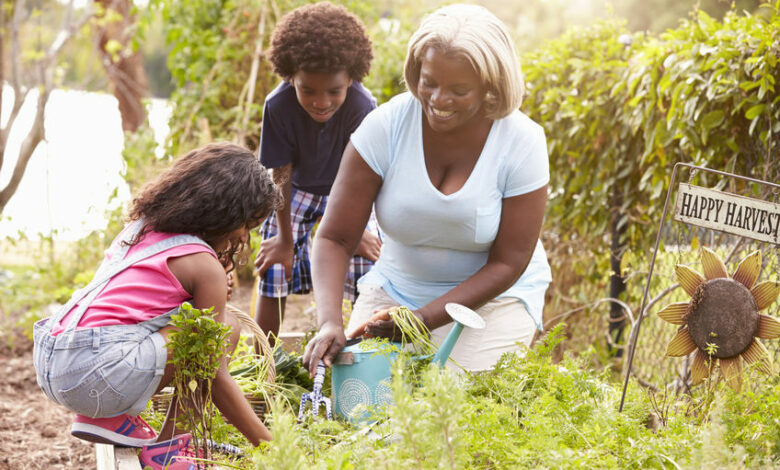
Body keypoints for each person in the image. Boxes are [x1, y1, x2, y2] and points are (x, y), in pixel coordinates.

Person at [303, 4, 552, 374]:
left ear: (490, 86)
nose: (438, 100)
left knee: (453, 397)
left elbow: (508, 262)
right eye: (430, 82)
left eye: (459, 90)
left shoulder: (521, 142)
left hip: (492, 301)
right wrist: (329, 322)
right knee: (360, 394)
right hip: (396, 291)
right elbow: (335, 238)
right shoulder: (385, 128)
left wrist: (421, 320)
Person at [33, 143, 276, 470]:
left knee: (205, 329)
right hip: (96, 373)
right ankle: (170, 449)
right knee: (226, 330)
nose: (243, 236)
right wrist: (272, 448)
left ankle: (108, 418)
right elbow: (213, 375)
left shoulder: (141, 228)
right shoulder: (204, 267)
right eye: (246, 224)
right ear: (227, 211)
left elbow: (133, 307)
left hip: (52, 360)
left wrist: (212, 282)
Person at [254, 1, 381, 346]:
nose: (321, 102)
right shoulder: (278, 105)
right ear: (290, 77)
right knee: (274, 267)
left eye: (333, 91)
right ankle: (264, 359)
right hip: (295, 191)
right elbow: (281, 175)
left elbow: (367, 175)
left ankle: (360, 353)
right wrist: (284, 239)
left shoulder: (363, 106)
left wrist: (359, 232)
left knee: (366, 266)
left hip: (348, 191)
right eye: (307, 90)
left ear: (350, 79)